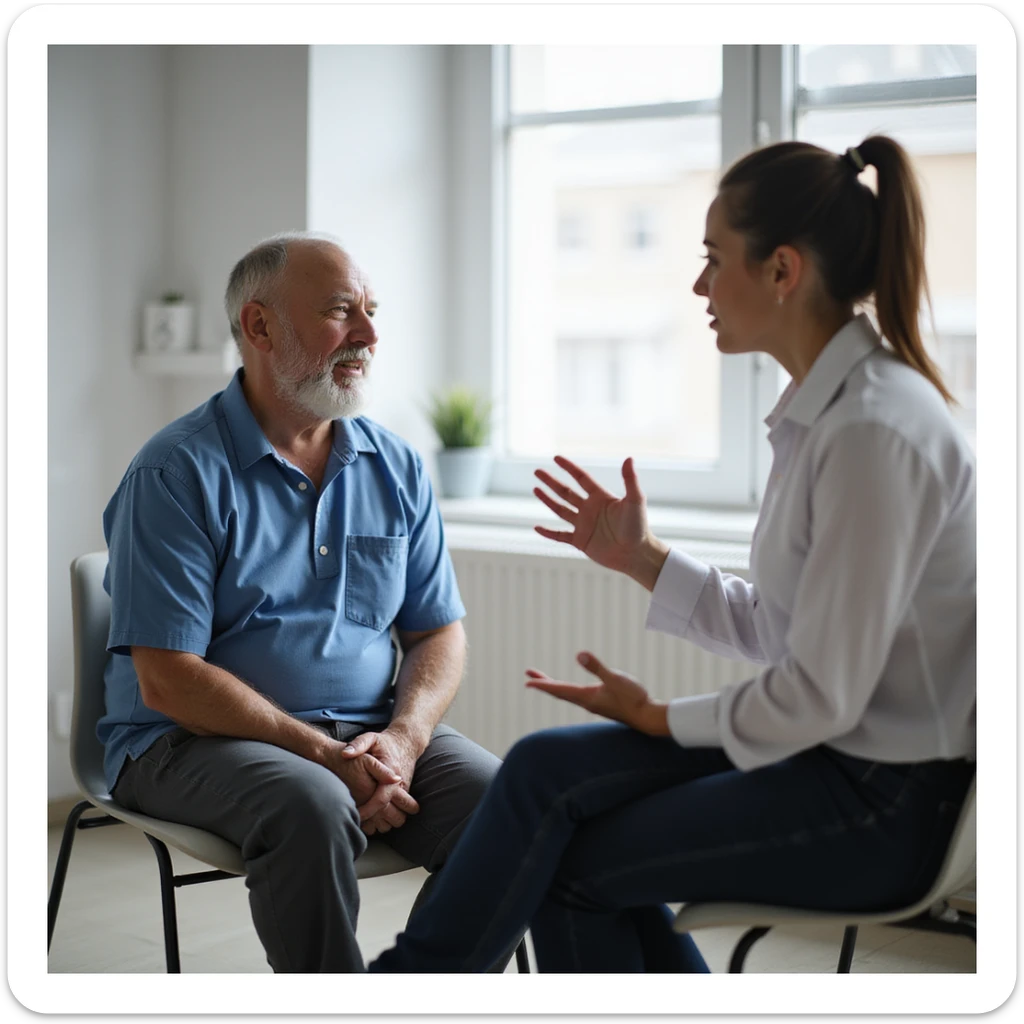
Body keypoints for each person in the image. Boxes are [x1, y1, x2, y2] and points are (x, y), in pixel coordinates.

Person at [368, 136, 977, 973]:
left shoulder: (873, 430)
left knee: (568, 863)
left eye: (713, 260)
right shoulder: (824, 414)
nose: (699, 287)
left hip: (883, 800)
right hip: (834, 755)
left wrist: (659, 717)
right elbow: (785, 630)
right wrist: (644, 558)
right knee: (543, 768)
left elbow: (821, 693)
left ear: (782, 270)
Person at [98, 232, 507, 973]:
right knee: (313, 804)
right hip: (183, 740)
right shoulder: (175, 472)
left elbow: (437, 632)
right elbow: (168, 680)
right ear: (259, 327)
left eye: (372, 311)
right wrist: (322, 756)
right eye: (341, 311)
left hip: (367, 732)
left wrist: (403, 740)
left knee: (512, 808)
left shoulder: (397, 465)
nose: (369, 335)